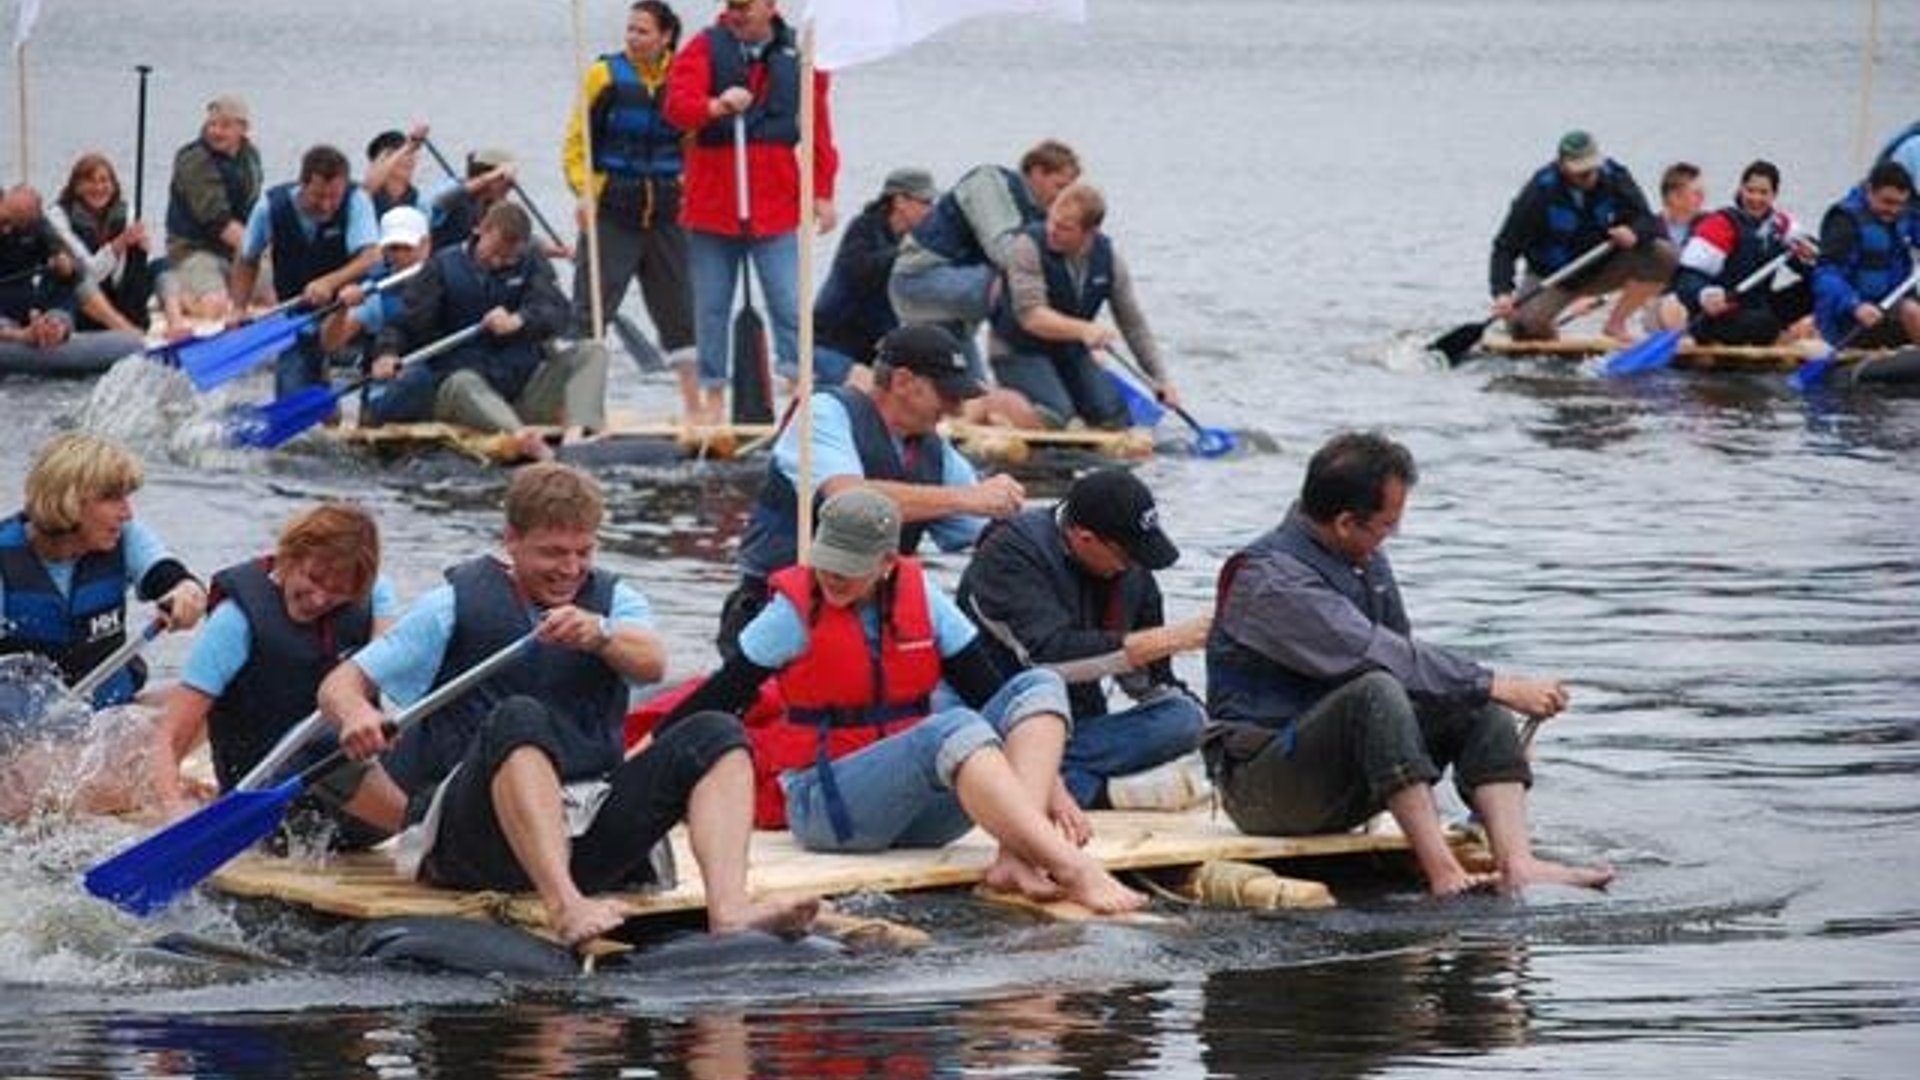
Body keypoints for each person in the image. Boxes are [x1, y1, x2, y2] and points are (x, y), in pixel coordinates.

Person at [317, 462, 818, 946]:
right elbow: (341, 684)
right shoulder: (450, 604)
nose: (570, 568)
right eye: (553, 553)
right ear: (511, 540)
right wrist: (358, 714)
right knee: (520, 716)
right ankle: (565, 906)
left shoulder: (615, 601)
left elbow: (651, 664)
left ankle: (729, 912)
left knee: (716, 731)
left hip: (585, 823)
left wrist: (600, 637)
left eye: (583, 551)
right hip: (476, 841)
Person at [662, 487, 1145, 914]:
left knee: (1039, 684)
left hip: (921, 809)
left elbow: (993, 694)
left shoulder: (922, 599)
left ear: (887, 563)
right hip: (830, 808)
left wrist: (1055, 791)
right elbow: (715, 700)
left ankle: (1015, 858)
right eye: (827, 560)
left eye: (849, 567)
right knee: (951, 726)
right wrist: (648, 765)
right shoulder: (792, 611)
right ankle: (1074, 869)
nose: (833, 576)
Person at [1203, 431, 1614, 897]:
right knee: (1385, 689)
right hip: (1264, 787)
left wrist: (1487, 699)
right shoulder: (1269, 580)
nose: (1389, 538)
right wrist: (1498, 682)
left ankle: (1517, 861)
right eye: (1385, 525)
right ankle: (1442, 870)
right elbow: (1376, 654)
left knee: (1470, 701)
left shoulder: (1364, 557)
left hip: (1343, 766)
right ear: (1344, 523)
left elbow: (1416, 667)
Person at [716, 324, 1026, 657]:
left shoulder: (938, 455)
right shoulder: (823, 414)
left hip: (871, 626)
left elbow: (987, 533)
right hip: (777, 614)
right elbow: (849, 501)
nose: (956, 410)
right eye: (947, 395)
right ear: (903, 381)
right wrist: (966, 499)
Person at [149, 503, 400, 847]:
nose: (319, 598)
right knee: (324, 744)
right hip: (270, 811)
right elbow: (169, 736)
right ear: (289, 556)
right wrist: (172, 810)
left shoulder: (375, 594)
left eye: (338, 591)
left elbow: (392, 663)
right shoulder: (235, 622)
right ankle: (428, 833)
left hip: (352, 808)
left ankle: (432, 827)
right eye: (313, 579)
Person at [956, 468, 1208, 809]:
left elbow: (1149, 683)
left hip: (1082, 728)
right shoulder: (1010, 552)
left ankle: (1061, 783)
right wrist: (1169, 639)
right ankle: (1090, 790)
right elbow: (1047, 658)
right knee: (1003, 734)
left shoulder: (1132, 571)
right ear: (1084, 538)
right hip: (1004, 719)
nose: (1133, 566)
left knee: (1184, 718)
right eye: (1127, 555)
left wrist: (1221, 734)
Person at [663, 0, 839, 423]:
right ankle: (713, 399)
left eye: (746, 6)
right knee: (711, 307)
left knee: (788, 303)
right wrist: (716, 107)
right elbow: (676, 107)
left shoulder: (801, 55)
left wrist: (823, 191)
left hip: (775, 204)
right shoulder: (704, 48)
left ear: (770, 7)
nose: (738, 14)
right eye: (732, 6)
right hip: (712, 206)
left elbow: (818, 128)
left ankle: (800, 393)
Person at [369, 202, 605, 457]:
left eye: (507, 257)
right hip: (463, 395)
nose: (497, 261)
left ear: (522, 247)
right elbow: (404, 324)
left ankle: (576, 437)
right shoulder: (442, 266)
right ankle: (524, 440)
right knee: (463, 381)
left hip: (521, 392)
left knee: (592, 350)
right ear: (480, 230)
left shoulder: (531, 263)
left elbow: (558, 312)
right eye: (493, 252)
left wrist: (520, 320)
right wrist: (386, 353)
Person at [0, 433, 206, 709]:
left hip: (108, 716)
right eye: (111, 498)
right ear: (69, 501)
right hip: (26, 732)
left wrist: (186, 594)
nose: (127, 513)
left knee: (214, 701)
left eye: (126, 497)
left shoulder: (127, 537)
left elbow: (173, 578)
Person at [564, 0, 697, 411]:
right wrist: (585, 193)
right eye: (630, 30)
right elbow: (576, 146)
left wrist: (693, 188)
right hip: (612, 213)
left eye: (642, 31)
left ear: (665, 36)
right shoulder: (604, 75)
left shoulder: (685, 76)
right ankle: (579, 411)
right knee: (591, 314)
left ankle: (698, 412)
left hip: (668, 216)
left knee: (682, 317)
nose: (633, 38)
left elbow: (696, 143)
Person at [987, 182, 1177, 430]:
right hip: (1016, 349)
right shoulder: (1027, 246)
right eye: (1051, 221)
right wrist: (1084, 330)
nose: (1052, 231)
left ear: (1090, 232)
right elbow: (1032, 317)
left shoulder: (1109, 261)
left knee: (1113, 416)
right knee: (1058, 417)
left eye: (1065, 228)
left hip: (1068, 352)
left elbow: (1134, 325)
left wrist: (1161, 380)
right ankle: (991, 404)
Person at [888, 140, 1081, 375]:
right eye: (1059, 187)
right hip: (918, 282)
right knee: (1017, 290)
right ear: (1037, 172)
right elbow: (1003, 251)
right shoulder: (988, 182)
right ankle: (1028, 375)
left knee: (972, 395)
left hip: (955, 317)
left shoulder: (1039, 218)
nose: (1062, 200)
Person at [1489, 130, 1676, 342]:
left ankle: (1616, 324)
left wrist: (1634, 233)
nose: (1589, 176)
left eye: (1592, 169)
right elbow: (1504, 247)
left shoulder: (1615, 176)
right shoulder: (1538, 192)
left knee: (1665, 255)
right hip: (1554, 277)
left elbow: (1647, 220)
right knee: (1522, 327)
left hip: (1603, 265)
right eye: (1581, 172)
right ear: (1562, 166)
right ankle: (1547, 332)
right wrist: (1502, 293)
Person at [231, 144, 383, 399]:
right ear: (302, 184)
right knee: (291, 390)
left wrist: (328, 283)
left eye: (334, 196)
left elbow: (370, 257)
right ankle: (322, 399)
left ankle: (347, 383)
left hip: (354, 297)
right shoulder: (270, 207)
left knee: (332, 335)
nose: (326, 205)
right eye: (318, 196)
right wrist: (238, 308)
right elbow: (247, 259)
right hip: (297, 305)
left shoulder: (357, 200)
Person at [1666, 160, 1818, 345]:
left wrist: (1811, 258)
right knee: (1764, 323)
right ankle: (1773, 333)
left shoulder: (1782, 227)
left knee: (1819, 286)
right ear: (1741, 190)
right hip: (1718, 313)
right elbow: (1686, 278)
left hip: (1758, 309)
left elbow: (1820, 264)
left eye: (1763, 193)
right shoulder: (1720, 224)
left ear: (1774, 195)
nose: (1755, 198)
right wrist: (1704, 295)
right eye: (1750, 190)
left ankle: (1783, 331)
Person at [812, 167, 937, 387]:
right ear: (900, 201)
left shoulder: (909, 239)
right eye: (925, 202)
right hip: (829, 345)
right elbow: (860, 271)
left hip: (873, 351)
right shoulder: (864, 228)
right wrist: (906, 252)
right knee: (874, 387)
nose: (931, 210)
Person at [0, 186, 145, 367]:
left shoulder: (37, 223)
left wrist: (64, 263)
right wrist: (20, 336)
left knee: (67, 274)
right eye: (3, 222)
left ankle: (58, 325)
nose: (6, 230)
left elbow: (67, 260)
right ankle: (23, 334)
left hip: (25, 302)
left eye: (14, 224)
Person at [161, 93, 262, 336]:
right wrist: (258, 246)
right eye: (212, 125)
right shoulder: (194, 160)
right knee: (213, 306)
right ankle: (176, 296)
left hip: (236, 250)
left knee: (276, 291)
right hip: (194, 249)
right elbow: (217, 221)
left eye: (225, 125)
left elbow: (255, 210)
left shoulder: (250, 157)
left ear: (243, 128)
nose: (216, 131)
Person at [1811, 160, 1920, 349]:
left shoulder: (1904, 215)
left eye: (1900, 204)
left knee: (1910, 308)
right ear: (1870, 190)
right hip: (1851, 319)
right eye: (1887, 202)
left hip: (1889, 307)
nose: (1894, 210)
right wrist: (1855, 305)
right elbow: (1825, 275)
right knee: (1911, 311)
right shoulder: (1845, 221)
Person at [47, 153, 152, 332]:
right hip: (81, 306)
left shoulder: (127, 213)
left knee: (160, 266)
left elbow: (126, 272)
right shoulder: (58, 216)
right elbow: (90, 273)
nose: (98, 188)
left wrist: (142, 249)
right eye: (89, 181)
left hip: (122, 301)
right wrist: (120, 242)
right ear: (76, 186)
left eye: (104, 181)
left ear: (113, 185)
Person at [318, 205, 433, 358]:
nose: (399, 256)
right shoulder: (374, 292)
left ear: (426, 244)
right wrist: (341, 310)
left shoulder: (449, 273)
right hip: (394, 372)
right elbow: (330, 344)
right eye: (393, 248)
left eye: (407, 247)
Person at [364, 125, 431, 217]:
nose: (410, 159)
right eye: (404, 154)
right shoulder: (363, 198)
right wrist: (407, 147)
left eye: (411, 153)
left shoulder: (421, 201)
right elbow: (368, 186)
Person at [1656, 162, 1705, 247]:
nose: (1702, 198)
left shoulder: (1709, 226)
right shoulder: (1649, 229)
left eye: (1703, 193)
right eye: (1696, 193)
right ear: (1674, 196)